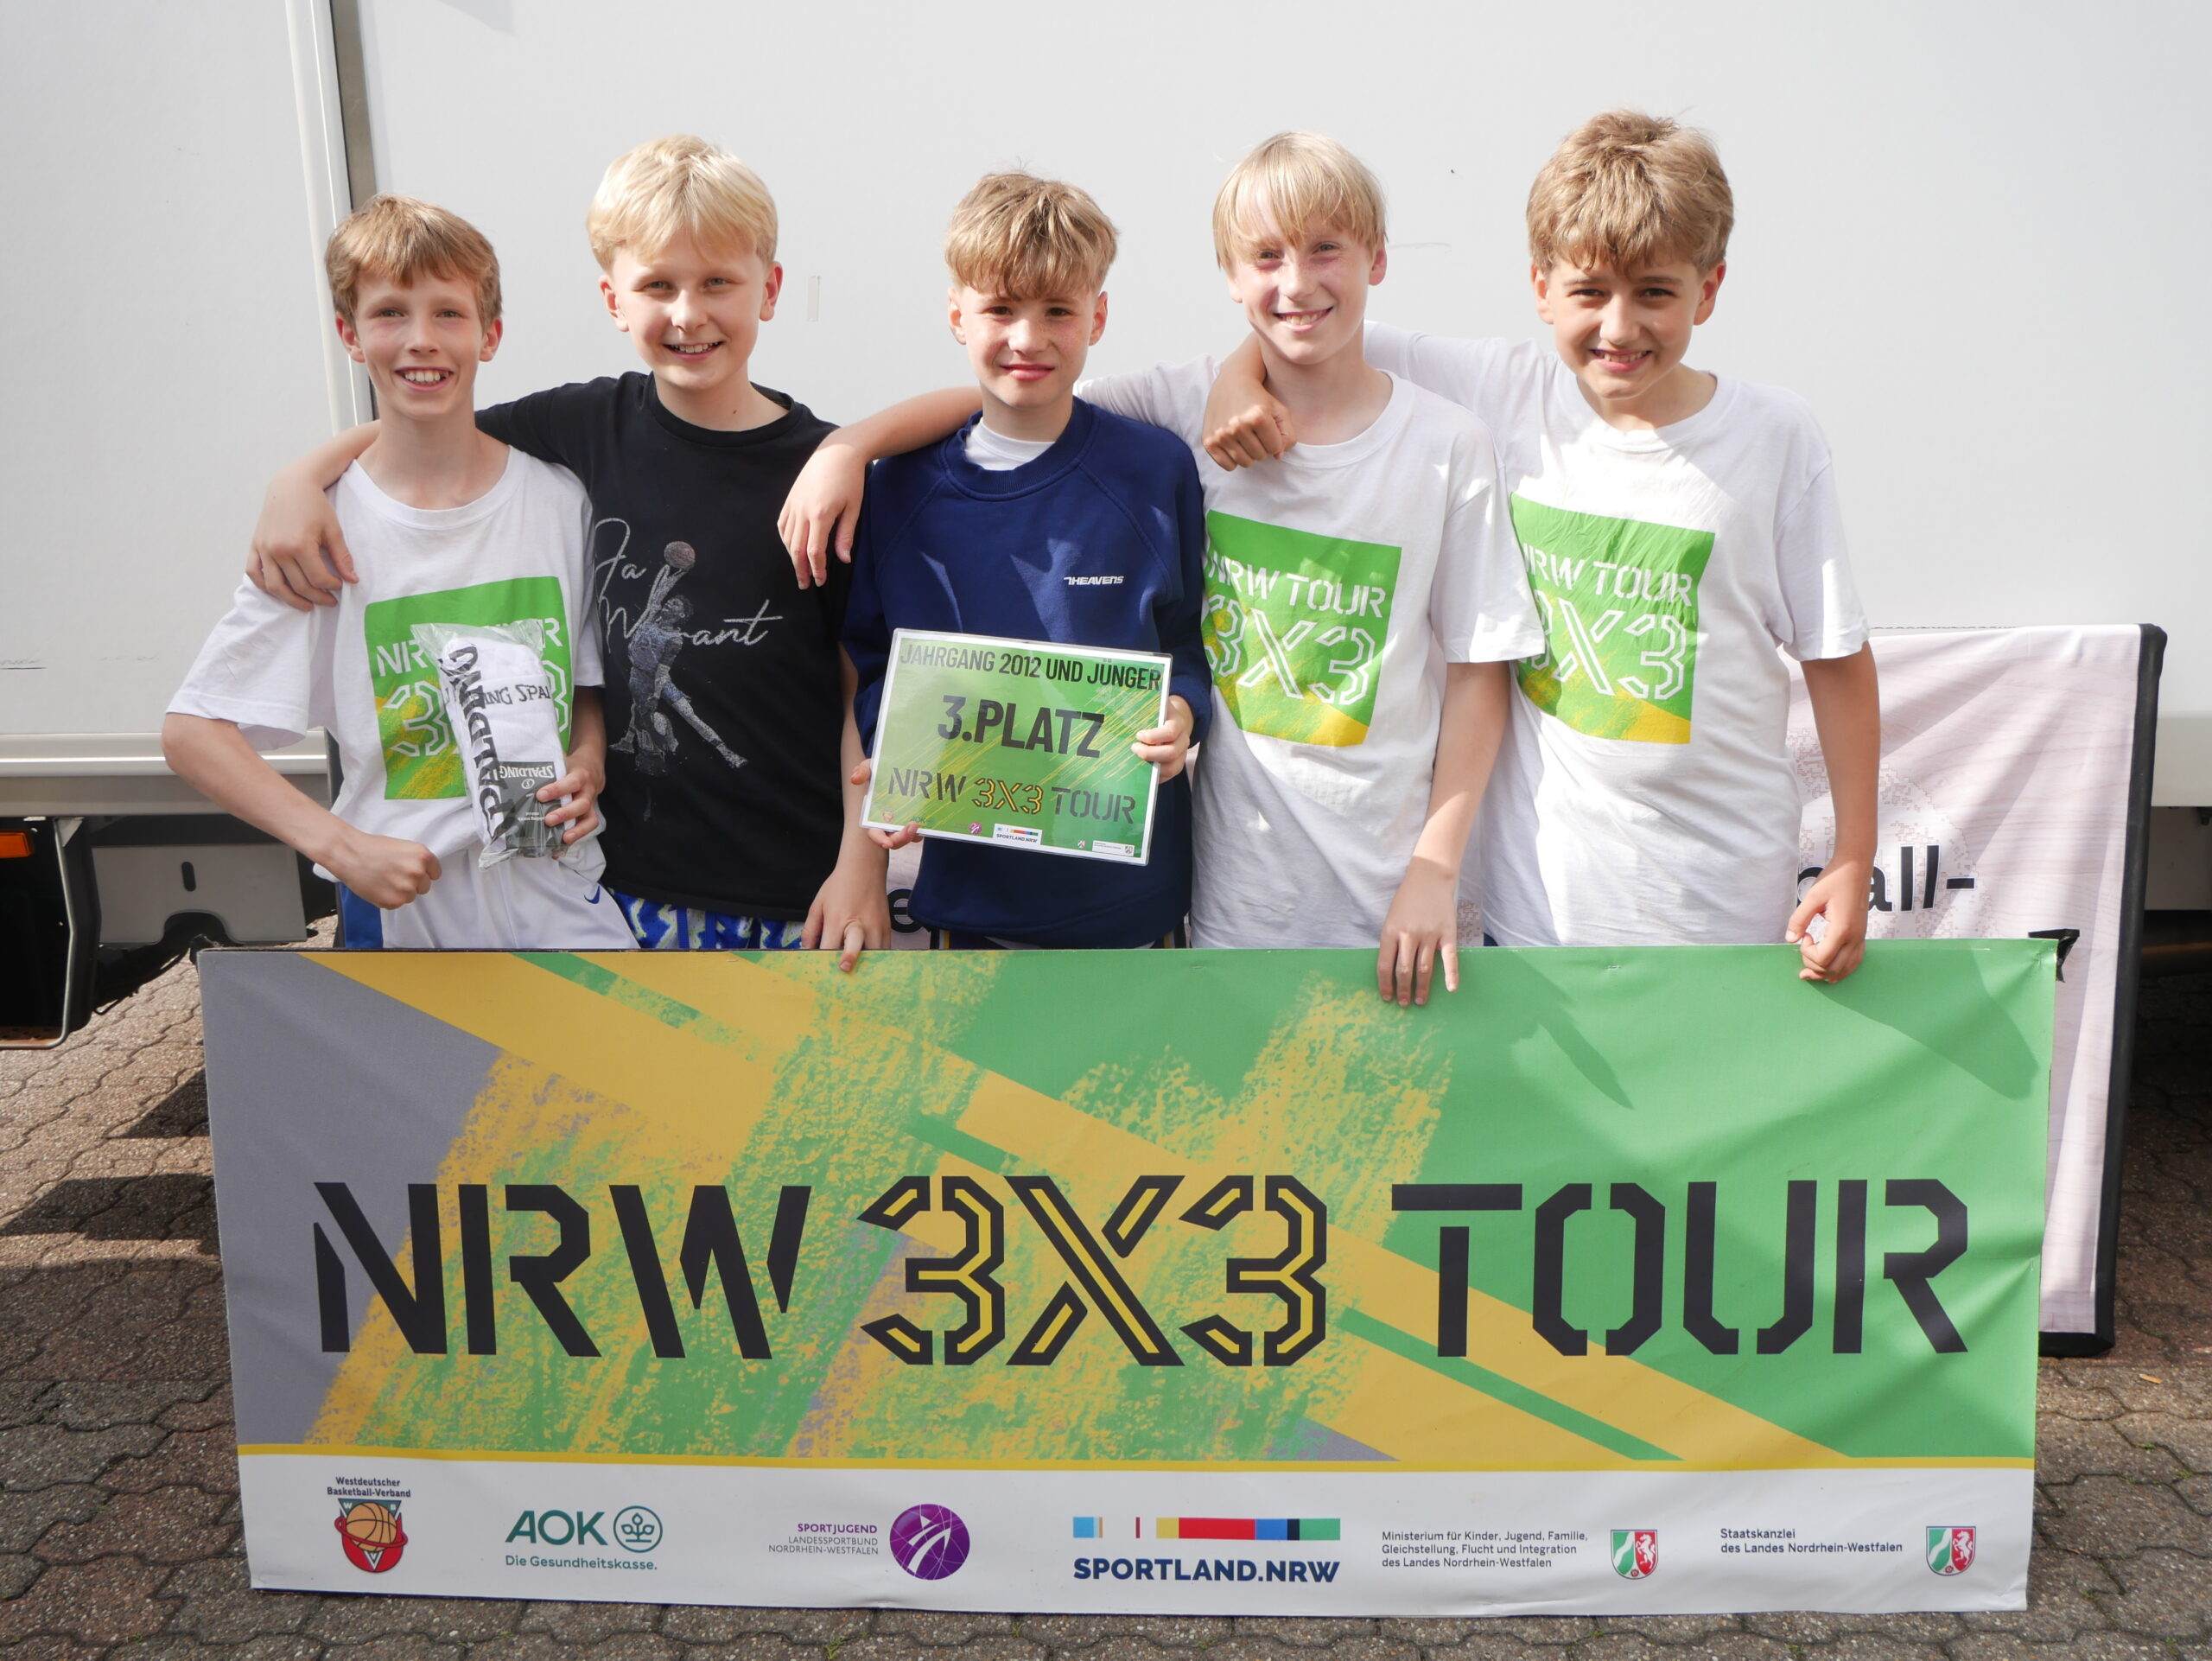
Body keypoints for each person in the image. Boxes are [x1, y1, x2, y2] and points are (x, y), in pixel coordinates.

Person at [782, 134, 1544, 1003]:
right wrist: (849, 446)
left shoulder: (1425, 444)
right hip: (1207, 907)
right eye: (1266, 256)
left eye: (1324, 248)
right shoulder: (1166, 419)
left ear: (1377, 257)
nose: (1296, 282)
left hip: (1354, 904)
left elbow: (1470, 671)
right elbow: (1017, 407)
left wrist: (1434, 865)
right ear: (1230, 274)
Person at [1199, 111, 1880, 983]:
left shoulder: (1774, 436)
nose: (1619, 328)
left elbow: (1835, 658)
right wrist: (1235, 380)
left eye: (1655, 293)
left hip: (1723, 910)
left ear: (1708, 290)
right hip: (1534, 922)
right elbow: (1307, 323)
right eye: (1590, 292)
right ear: (1540, 287)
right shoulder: (1500, 391)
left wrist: (1852, 857)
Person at [240, 137, 887, 963]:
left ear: (771, 289)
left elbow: (863, 692)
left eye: (718, 283)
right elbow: (431, 423)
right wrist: (298, 478)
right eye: (658, 286)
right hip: (621, 899)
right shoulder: (583, 427)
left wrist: (861, 865)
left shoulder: (825, 476)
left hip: (797, 894)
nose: (687, 314)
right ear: (614, 299)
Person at [162, 195, 632, 950]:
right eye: (389, 314)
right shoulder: (321, 530)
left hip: (559, 892)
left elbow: (581, 683)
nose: (421, 340)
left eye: (449, 313)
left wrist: (588, 759)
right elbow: (193, 733)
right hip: (404, 916)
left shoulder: (558, 502)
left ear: (490, 334)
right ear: (349, 334)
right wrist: (341, 847)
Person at [842, 172, 1209, 949]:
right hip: (968, 909)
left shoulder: (1155, 471)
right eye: (1001, 309)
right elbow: (873, 665)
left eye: (1058, 312)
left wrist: (1181, 714)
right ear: (957, 314)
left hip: (1132, 912)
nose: (1027, 338)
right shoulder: (896, 489)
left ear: (1098, 317)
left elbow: (1190, 645)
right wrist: (895, 752)